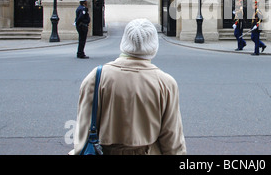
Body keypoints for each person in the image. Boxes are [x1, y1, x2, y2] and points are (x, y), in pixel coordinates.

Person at [71, 18, 187, 155]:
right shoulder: (166, 83)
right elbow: (172, 140)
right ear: (153, 46)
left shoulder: (96, 77)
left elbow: (83, 132)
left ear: (124, 41)